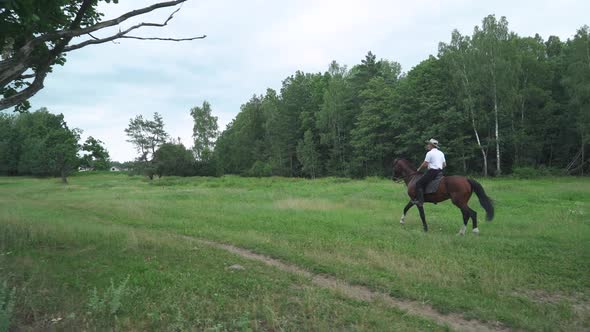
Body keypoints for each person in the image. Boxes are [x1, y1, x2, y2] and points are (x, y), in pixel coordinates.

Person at [414, 138, 446, 207]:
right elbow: (444, 165)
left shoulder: (429, 153)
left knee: (418, 183)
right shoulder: (441, 153)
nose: (427, 145)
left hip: (432, 172)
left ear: (431, 145)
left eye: (428, 144)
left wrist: (419, 169)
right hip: (440, 172)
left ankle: (420, 201)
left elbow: (425, 164)